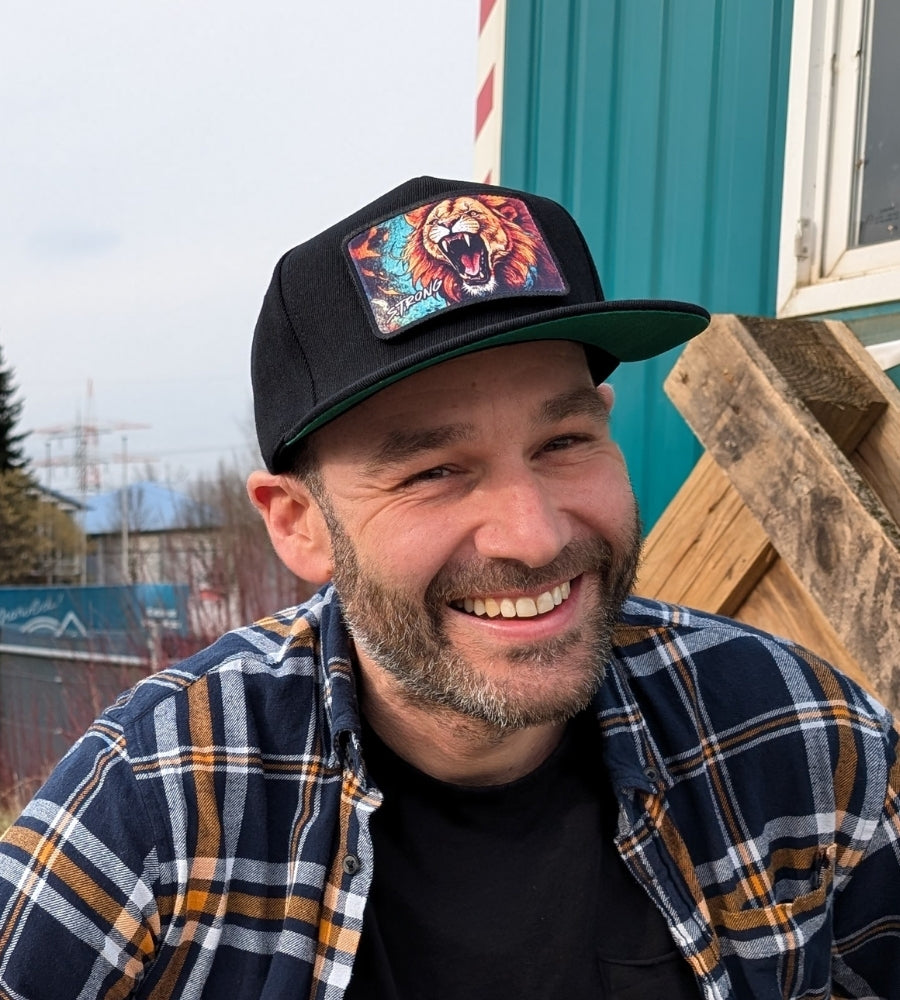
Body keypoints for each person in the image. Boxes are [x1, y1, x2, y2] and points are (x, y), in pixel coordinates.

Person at [0, 176, 898, 1000]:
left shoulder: (800, 738)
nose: (535, 535)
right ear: (299, 523)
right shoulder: (157, 802)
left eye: (563, 443)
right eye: (433, 471)